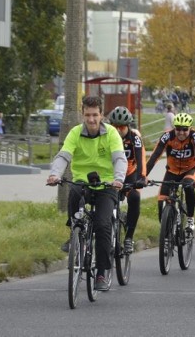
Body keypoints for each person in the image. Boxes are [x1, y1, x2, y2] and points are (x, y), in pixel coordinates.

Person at [47, 96, 127, 291]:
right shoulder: (75, 133)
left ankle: (101, 272)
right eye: (88, 115)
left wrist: (118, 179)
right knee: (73, 192)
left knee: (102, 225)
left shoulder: (111, 134)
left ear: (101, 115)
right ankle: (74, 230)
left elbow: (119, 158)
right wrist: (54, 175)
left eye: (95, 115)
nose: (91, 120)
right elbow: (63, 156)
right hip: (82, 181)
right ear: (83, 114)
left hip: (107, 185)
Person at [146, 113, 195, 232]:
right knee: (162, 201)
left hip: (190, 169)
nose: (181, 132)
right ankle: (168, 233)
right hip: (172, 171)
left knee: (188, 186)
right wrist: (143, 176)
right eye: (178, 129)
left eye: (185, 129)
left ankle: (190, 219)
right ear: (174, 128)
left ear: (190, 128)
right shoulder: (167, 136)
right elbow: (154, 156)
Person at [108, 106, 147, 253]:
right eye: (115, 126)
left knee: (135, 198)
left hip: (130, 173)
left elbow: (141, 157)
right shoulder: (106, 137)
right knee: (108, 203)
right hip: (111, 174)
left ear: (128, 126)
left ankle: (129, 237)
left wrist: (142, 177)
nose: (118, 130)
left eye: (122, 127)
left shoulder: (134, 137)